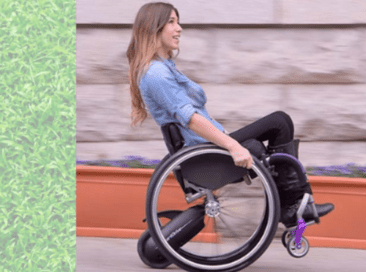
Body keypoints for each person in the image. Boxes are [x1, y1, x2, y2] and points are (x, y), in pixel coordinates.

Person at [126, 2, 334, 228]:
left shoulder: (163, 67)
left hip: (204, 146)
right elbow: (191, 120)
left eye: (178, 22)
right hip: (204, 153)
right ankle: (292, 206)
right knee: (279, 122)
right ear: (154, 27)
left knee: (279, 123)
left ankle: (292, 205)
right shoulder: (156, 74)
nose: (179, 28)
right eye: (172, 22)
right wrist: (233, 146)